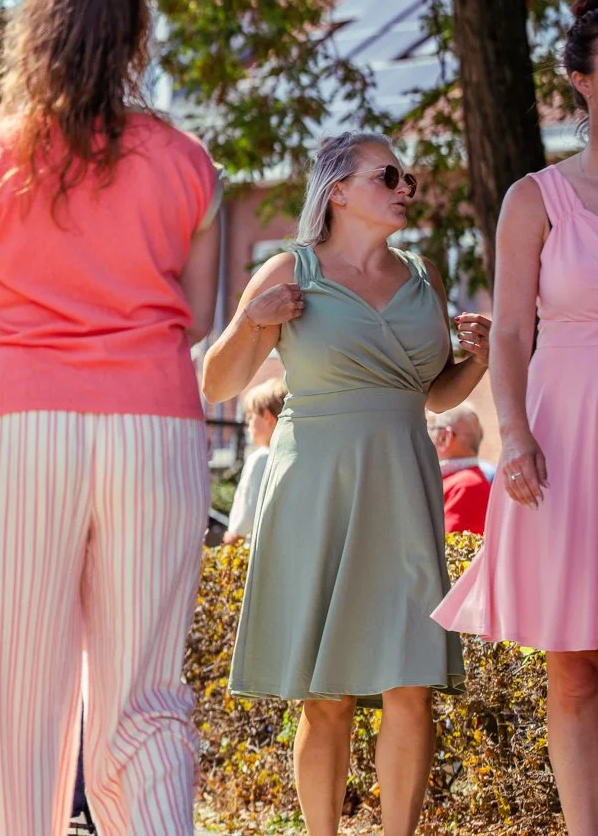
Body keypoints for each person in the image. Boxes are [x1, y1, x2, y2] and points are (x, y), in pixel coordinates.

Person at [0, 0, 222, 835]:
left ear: (37, 31)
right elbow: (192, 314)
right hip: (154, 426)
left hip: (25, 429)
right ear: (134, 39)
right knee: (146, 689)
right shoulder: (187, 160)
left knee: (16, 692)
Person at [203, 131, 490, 836]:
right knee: (324, 693)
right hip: (317, 492)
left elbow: (430, 392)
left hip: (403, 486)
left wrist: (476, 361)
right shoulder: (288, 268)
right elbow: (217, 380)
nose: (404, 187)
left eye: (408, 179)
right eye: (387, 175)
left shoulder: (422, 274)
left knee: (410, 682)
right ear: (336, 190)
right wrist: (251, 321)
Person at [435, 0, 598, 836]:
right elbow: (508, 333)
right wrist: (518, 435)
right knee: (573, 661)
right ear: (581, 78)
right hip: (566, 432)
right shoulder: (534, 199)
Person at [222, 378, 287, 546]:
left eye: (251, 417)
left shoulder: (260, 459)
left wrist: (231, 537)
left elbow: (247, 514)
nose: (248, 425)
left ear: (267, 417)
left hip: (252, 548)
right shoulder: (288, 458)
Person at [427, 404, 490, 537]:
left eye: (429, 429)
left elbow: (451, 551)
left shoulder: (467, 485)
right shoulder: (459, 481)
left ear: (445, 437)